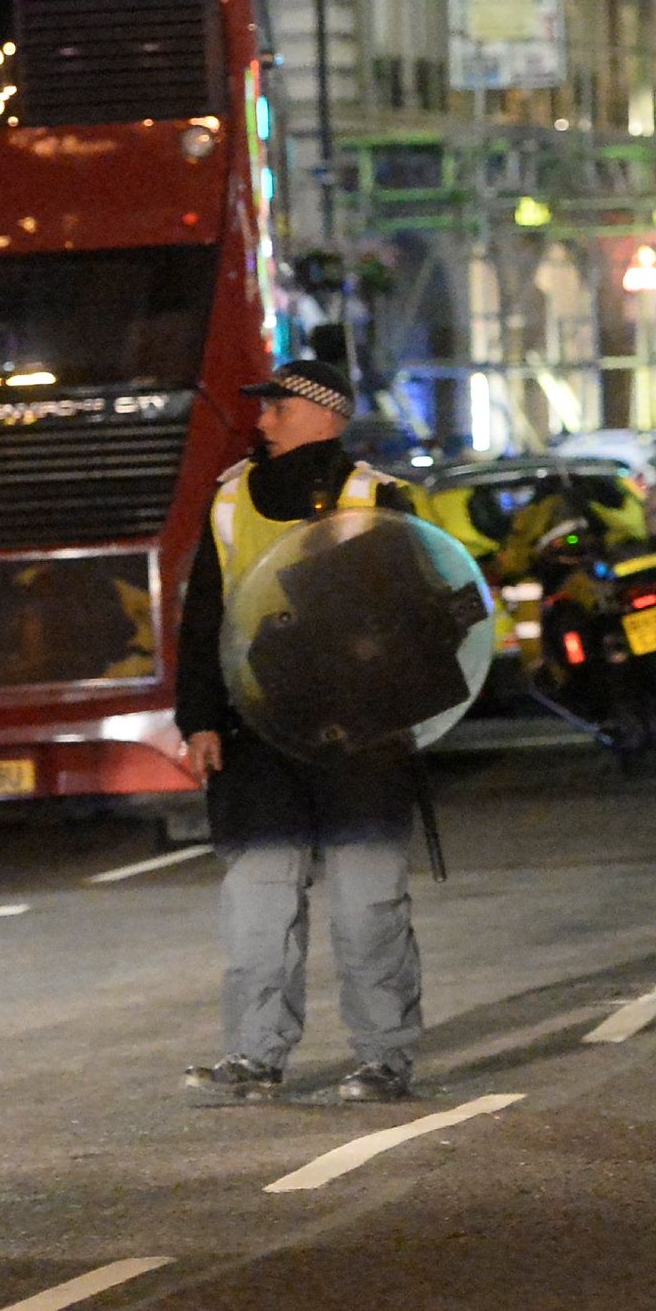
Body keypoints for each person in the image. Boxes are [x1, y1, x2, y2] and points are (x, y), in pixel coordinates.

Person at [175, 358, 431, 1107]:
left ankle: (384, 1058)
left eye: (279, 405)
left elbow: (422, 615)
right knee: (256, 905)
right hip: (258, 731)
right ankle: (255, 1054)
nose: (264, 418)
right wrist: (197, 720)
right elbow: (203, 619)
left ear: (326, 413)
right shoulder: (228, 501)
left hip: (359, 736)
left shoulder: (377, 497)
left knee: (368, 905)